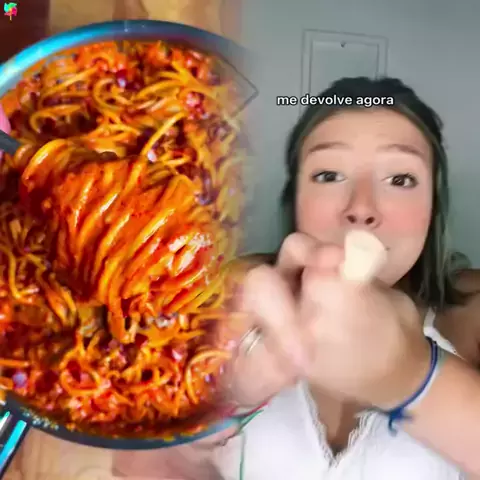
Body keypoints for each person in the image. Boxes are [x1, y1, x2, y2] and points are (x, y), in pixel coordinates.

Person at [207, 76, 480, 480]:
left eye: (400, 179)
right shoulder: (240, 296)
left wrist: (412, 375)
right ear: (294, 199)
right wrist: (225, 399)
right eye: (329, 175)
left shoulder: (470, 312)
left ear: (433, 206)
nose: (361, 208)